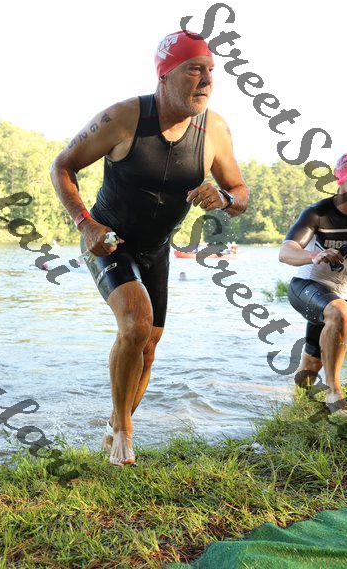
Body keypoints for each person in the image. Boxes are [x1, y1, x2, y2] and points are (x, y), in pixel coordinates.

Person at [50, 29, 249, 466]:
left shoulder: (214, 130)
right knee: (136, 322)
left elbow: (240, 192)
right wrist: (85, 224)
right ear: (164, 75)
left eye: (211, 70)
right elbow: (62, 166)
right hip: (110, 242)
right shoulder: (124, 118)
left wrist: (224, 197)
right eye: (194, 69)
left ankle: (113, 426)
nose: (206, 80)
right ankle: (125, 432)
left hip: (157, 248)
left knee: (149, 344)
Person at [279, 153, 347, 419]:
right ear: (341, 181)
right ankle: (334, 393)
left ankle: (298, 407)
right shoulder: (318, 213)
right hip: (309, 285)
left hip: (342, 292)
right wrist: (314, 255)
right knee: (340, 311)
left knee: (311, 365)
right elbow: (286, 252)